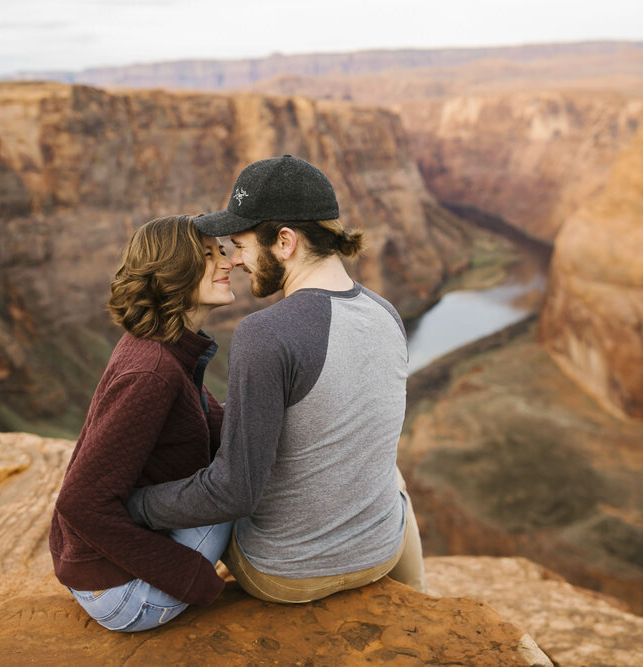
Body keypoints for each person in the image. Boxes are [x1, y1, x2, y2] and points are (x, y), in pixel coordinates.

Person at [127, 156, 426, 603]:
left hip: (285, 574)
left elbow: (232, 493)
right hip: (380, 554)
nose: (238, 260)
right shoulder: (386, 313)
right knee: (393, 476)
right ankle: (418, 594)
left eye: (242, 244)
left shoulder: (264, 334)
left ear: (284, 241)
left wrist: (137, 504)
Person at [49, 215, 236, 631]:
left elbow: (208, 422)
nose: (228, 261)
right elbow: (79, 503)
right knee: (239, 481)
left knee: (244, 460)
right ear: (172, 271)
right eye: (208, 255)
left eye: (222, 250)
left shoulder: (164, 347)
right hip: (124, 594)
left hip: (103, 572)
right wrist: (193, 579)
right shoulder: (153, 372)